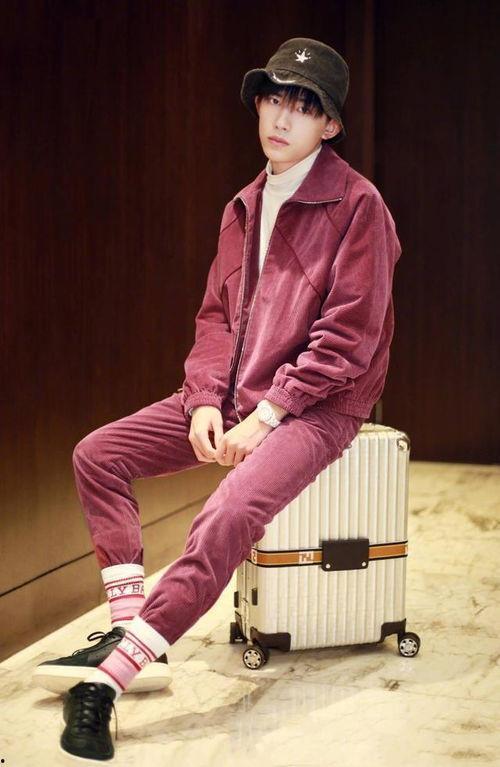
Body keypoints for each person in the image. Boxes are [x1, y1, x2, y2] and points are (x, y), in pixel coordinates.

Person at [36, 37, 402, 761]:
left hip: (318, 406)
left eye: (305, 107)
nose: (282, 118)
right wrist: (206, 398)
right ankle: (132, 628)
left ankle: (108, 681)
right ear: (258, 105)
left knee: (227, 514)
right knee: (98, 455)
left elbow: (349, 338)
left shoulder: (360, 206)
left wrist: (268, 414)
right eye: (274, 99)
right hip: (234, 392)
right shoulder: (243, 205)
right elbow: (216, 318)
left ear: (330, 125)